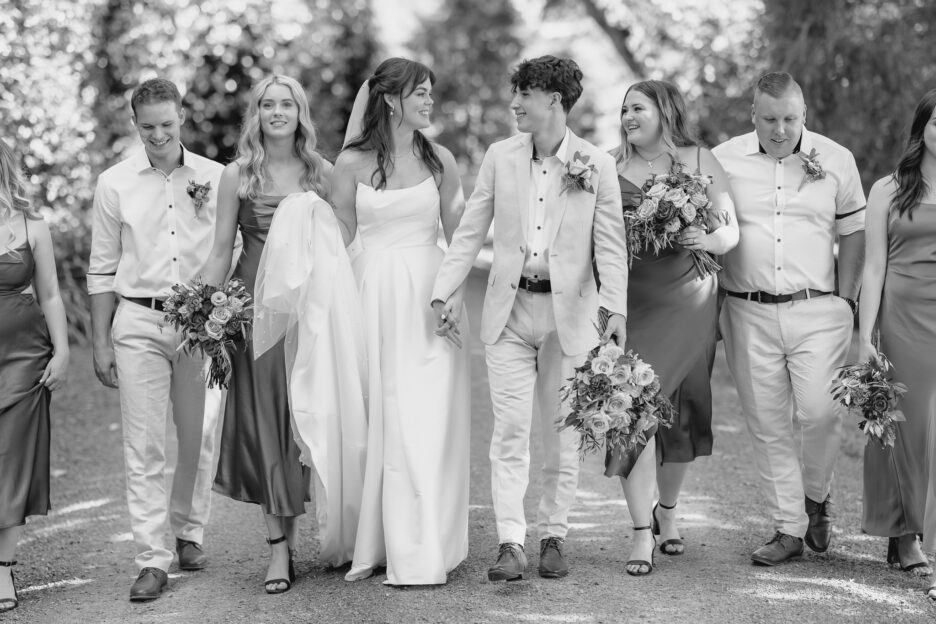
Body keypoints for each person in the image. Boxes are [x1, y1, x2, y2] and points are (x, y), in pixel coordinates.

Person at [431, 55, 628, 581]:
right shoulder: (500, 156)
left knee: (563, 433)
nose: (514, 103)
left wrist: (614, 310)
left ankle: (554, 536)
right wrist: (441, 292)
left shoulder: (596, 164)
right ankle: (510, 543)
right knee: (510, 432)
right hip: (509, 312)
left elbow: (611, 247)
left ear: (555, 102)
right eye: (515, 93)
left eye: (525, 94)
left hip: (573, 316)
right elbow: (471, 229)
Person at [712, 71, 865, 566]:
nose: (781, 130)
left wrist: (847, 300)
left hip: (818, 308)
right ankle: (788, 527)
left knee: (820, 413)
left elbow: (855, 232)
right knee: (766, 422)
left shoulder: (837, 160)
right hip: (746, 308)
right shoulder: (723, 160)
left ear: (804, 115)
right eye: (770, 119)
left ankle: (816, 497)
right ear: (753, 116)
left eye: (790, 119)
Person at [330, 57, 470, 586]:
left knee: (425, 419)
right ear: (390, 99)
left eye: (432, 92)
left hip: (429, 299)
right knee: (381, 414)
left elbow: (458, 237)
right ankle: (382, 539)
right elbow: (339, 234)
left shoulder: (442, 161)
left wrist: (454, 296)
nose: (430, 102)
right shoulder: (349, 164)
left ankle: (425, 543)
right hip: (370, 295)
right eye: (420, 93)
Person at [201, 75, 339, 594]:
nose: (277, 112)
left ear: (300, 113)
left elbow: (341, 247)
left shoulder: (321, 173)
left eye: (286, 104)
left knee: (300, 421)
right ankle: (278, 549)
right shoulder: (238, 174)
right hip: (253, 315)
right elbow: (220, 250)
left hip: (308, 315)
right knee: (265, 425)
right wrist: (201, 309)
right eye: (267, 104)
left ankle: (307, 528)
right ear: (255, 114)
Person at [88, 78, 225, 600]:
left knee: (199, 433)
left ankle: (189, 531)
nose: (159, 135)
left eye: (167, 124)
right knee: (142, 444)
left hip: (200, 323)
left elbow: (230, 246)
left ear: (183, 117)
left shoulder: (214, 176)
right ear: (135, 124)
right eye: (148, 127)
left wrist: (221, 310)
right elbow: (101, 270)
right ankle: (151, 557)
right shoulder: (114, 184)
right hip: (138, 321)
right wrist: (100, 342)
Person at [606, 80, 738, 576]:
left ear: (664, 110)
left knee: (681, 411)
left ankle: (668, 511)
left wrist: (705, 233)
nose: (626, 117)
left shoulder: (699, 160)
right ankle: (642, 532)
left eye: (636, 108)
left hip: (690, 298)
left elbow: (731, 231)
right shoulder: (609, 167)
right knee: (631, 409)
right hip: (631, 303)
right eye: (622, 110)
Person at [857, 88, 936, 582]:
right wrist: (864, 336)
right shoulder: (888, 188)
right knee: (908, 423)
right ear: (922, 128)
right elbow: (872, 266)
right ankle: (904, 533)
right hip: (904, 319)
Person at [0, 140, 69, 613]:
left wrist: (62, 351)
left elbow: (49, 293)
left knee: (11, 457)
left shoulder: (32, 224)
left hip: (24, 355)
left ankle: (2, 570)